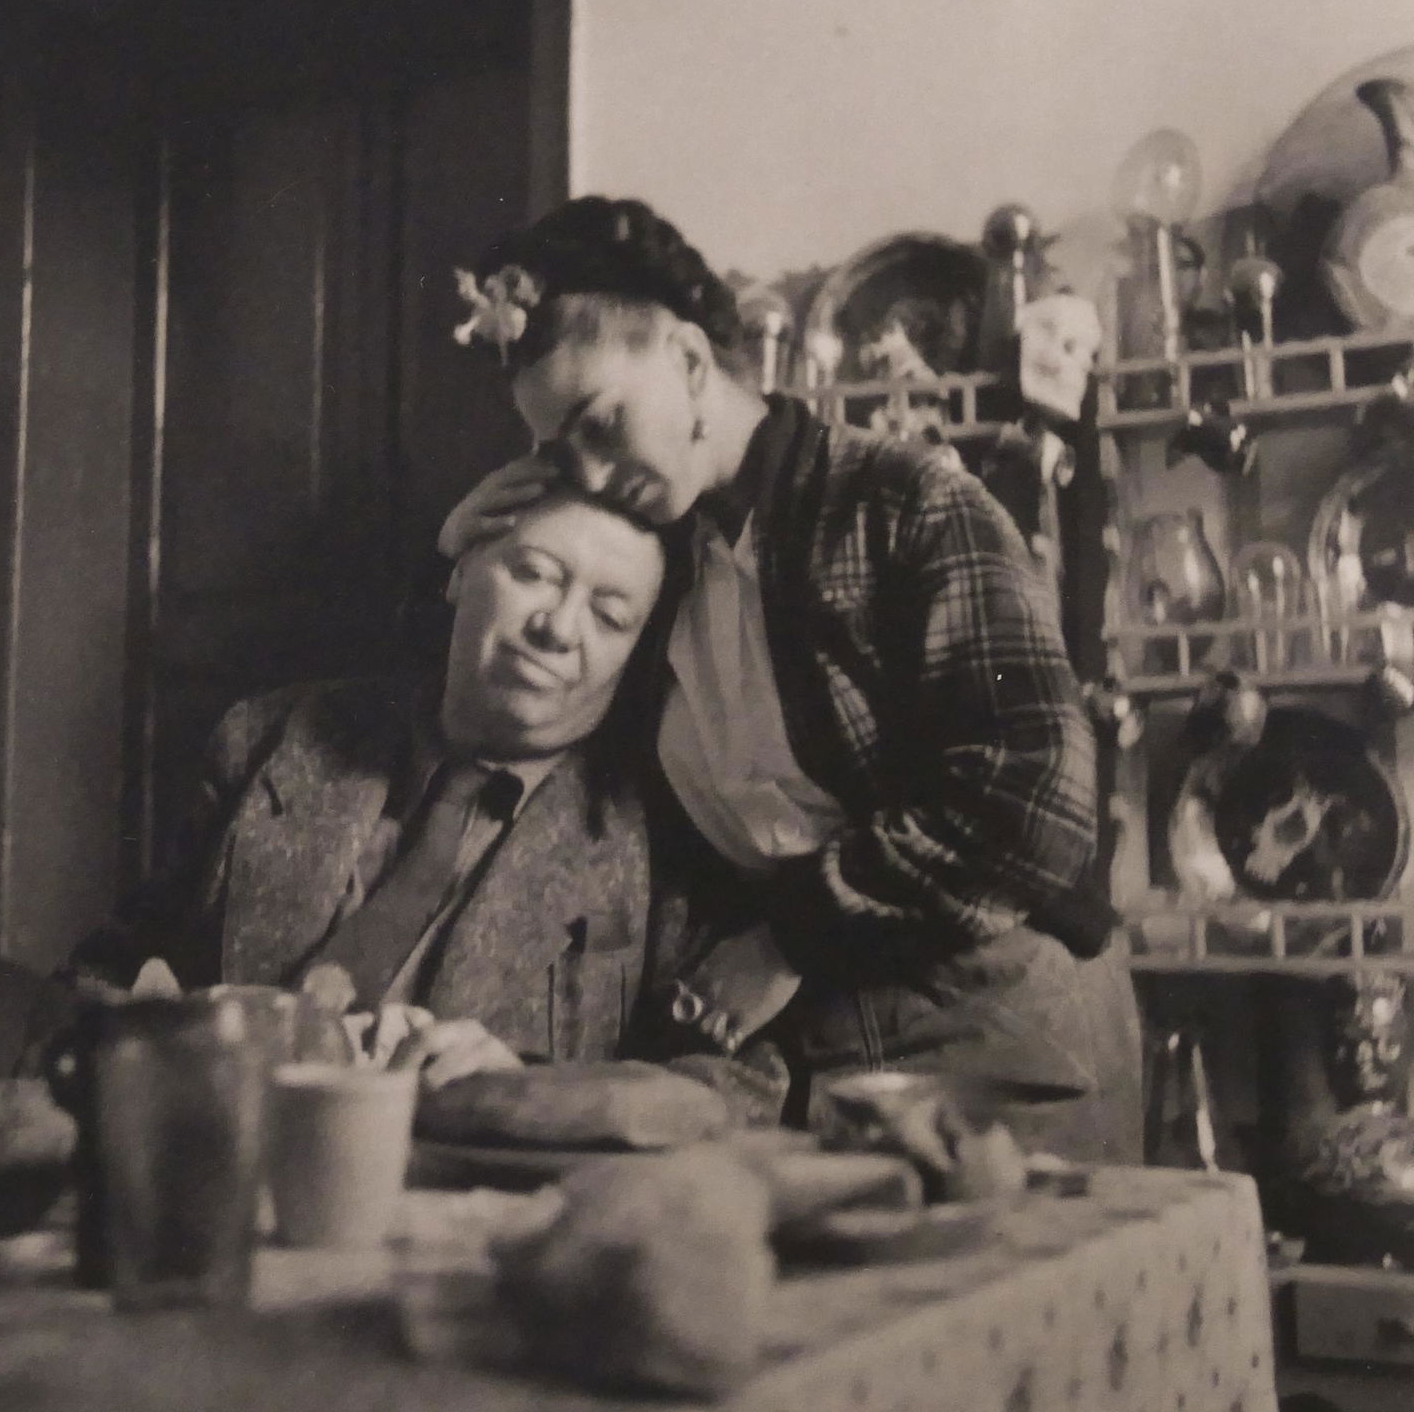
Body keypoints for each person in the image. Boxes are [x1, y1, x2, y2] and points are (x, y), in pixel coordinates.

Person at [443, 196, 1143, 1160]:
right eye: (562, 455)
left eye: (602, 425)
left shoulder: (905, 502)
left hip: (1001, 1033)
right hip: (796, 1058)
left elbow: (1037, 798)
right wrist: (462, 548)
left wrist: (789, 940)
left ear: (690, 361)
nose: (594, 477)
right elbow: (507, 714)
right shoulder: (657, 569)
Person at [71, 488, 737, 1094]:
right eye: (533, 574)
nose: (558, 629)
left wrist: (537, 1092)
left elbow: (741, 1086)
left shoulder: (667, 827)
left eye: (610, 616)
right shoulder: (270, 740)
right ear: (460, 571)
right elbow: (100, 981)